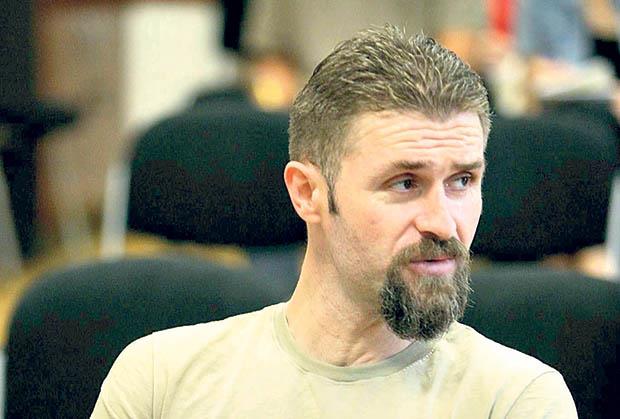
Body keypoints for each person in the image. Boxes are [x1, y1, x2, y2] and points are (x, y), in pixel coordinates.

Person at [91, 26, 577, 418]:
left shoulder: (515, 401)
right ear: (308, 193)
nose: (443, 224)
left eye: (463, 181)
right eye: (405, 183)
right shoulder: (160, 381)